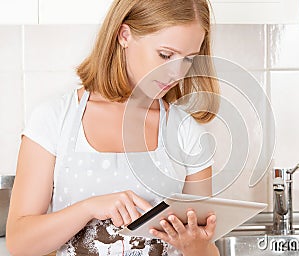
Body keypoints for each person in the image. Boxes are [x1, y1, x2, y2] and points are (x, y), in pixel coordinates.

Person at [6, 0, 220, 255]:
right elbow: (19, 243)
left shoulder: (186, 132)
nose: (177, 72)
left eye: (189, 59)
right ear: (124, 35)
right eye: (165, 55)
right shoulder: (54, 119)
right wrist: (88, 208)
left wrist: (197, 247)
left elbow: (206, 247)